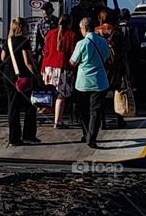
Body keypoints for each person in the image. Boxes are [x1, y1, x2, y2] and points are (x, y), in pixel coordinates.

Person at [70, 17, 110, 148]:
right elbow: (107, 57)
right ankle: (91, 137)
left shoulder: (82, 44)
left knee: (83, 110)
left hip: (83, 82)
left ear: (85, 29)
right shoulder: (103, 41)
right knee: (95, 112)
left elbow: (73, 62)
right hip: (100, 81)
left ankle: (85, 133)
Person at [1, 17, 38, 146]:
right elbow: (28, 62)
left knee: (13, 108)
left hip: (9, 76)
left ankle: (14, 137)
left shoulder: (9, 41)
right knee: (30, 106)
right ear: (21, 27)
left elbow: (3, 57)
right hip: (23, 78)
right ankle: (29, 135)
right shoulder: (24, 42)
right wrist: (38, 77)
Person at [41, 14, 78, 129]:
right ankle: (58, 121)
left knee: (50, 92)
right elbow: (73, 54)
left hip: (48, 66)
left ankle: (45, 110)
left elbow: (45, 51)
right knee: (61, 95)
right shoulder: (72, 35)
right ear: (70, 23)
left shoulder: (50, 34)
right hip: (63, 67)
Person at [33, 1, 58, 69]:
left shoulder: (57, 22)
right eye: (43, 9)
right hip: (44, 52)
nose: (45, 11)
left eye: (47, 9)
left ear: (52, 10)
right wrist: (35, 53)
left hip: (55, 51)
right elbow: (35, 39)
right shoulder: (39, 23)